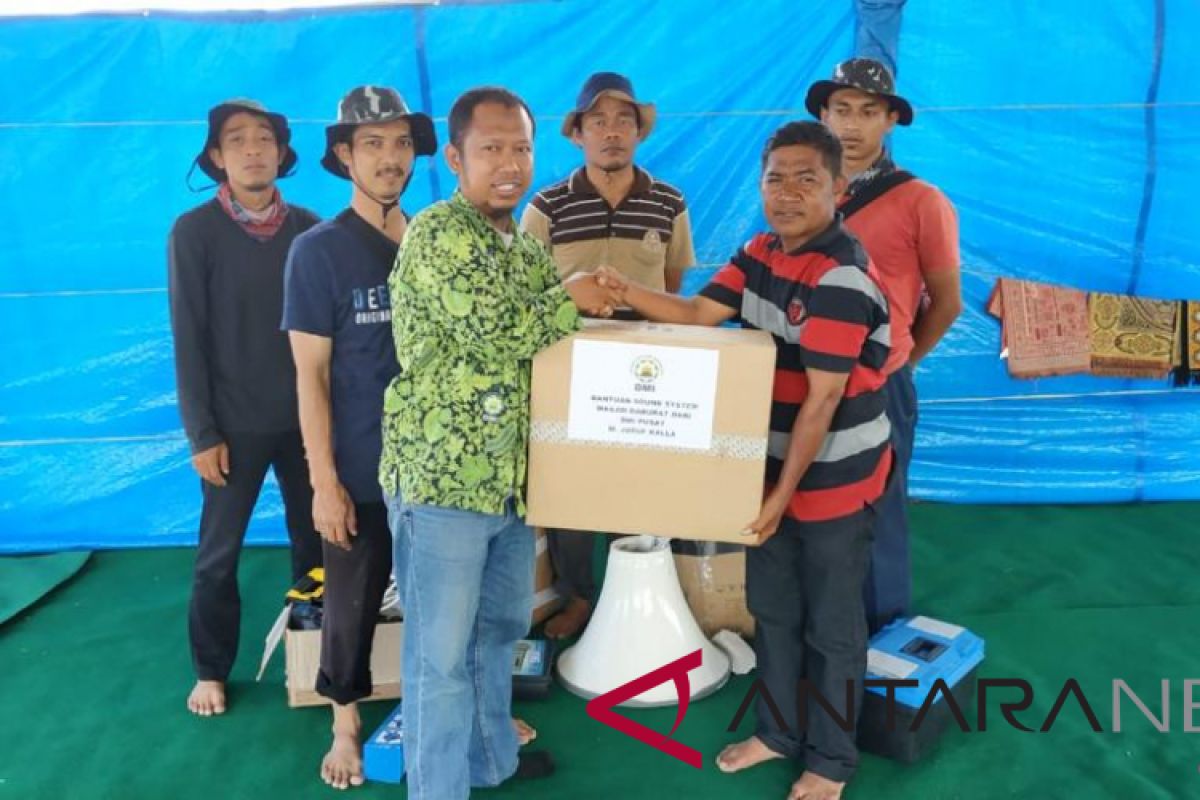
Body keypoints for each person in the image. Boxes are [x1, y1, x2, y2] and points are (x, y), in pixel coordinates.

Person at [597, 121, 891, 800]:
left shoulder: (842, 275)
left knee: (833, 627)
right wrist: (619, 289)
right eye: (774, 178)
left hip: (832, 482)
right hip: (768, 471)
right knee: (775, 610)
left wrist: (780, 498)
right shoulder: (760, 251)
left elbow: (821, 402)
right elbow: (700, 310)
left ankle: (831, 761)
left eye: (805, 179)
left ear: (838, 190)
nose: (786, 194)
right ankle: (779, 732)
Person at [378, 86, 619, 800]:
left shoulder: (523, 248)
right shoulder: (438, 233)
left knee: (498, 635)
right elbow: (497, 336)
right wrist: (572, 298)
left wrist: (587, 307)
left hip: (511, 484)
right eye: (491, 149)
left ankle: (491, 761)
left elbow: (553, 345)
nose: (509, 163)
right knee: (440, 659)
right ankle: (439, 788)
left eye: (520, 147)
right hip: (443, 486)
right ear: (455, 157)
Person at [281, 85, 435, 790]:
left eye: (401, 143)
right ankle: (345, 722)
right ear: (344, 156)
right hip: (360, 468)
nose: (390, 158)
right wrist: (324, 483)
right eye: (372, 144)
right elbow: (309, 377)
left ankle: (455, 712)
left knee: (443, 601)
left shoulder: (437, 241)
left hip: (438, 469)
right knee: (351, 604)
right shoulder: (318, 253)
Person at [520, 71, 697, 639]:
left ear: (639, 131)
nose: (611, 132)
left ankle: (644, 595)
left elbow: (671, 288)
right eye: (598, 121)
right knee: (572, 489)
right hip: (568, 369)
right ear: (577, 134)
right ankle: (578, 597)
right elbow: (527, 295)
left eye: (623, 120)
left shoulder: (668, 202)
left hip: (647, 371)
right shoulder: (546, 207)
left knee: (639, 482)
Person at [168, 98, 321, 718]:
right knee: (218, 554)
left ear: (283, 154)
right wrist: (202, 432)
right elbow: (189, 335)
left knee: (318, 543)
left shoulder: (311, 228)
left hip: (309, 422)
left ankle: (316, 657)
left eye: (265, 139)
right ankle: (211, 667)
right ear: (216, 158)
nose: (254, 149)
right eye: (238, 140)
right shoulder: (193, 231)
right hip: (230, 427)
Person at [806, 58, 962, 632]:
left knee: (880, 510)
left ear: (890, 120)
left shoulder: (923, 201)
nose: (852, 124)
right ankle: (820, 626)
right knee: (809, 503)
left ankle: (882, 633)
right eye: (841, 110)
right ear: (823, 116)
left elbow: (946, 303)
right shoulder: (802, 192)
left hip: (878, 382)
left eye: (868, 112)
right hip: (804, 378)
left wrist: (902, 361)